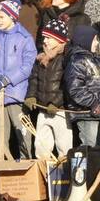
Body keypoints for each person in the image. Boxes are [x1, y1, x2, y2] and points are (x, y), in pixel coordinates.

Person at [0, 0, 37, 160]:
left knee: (22, 133)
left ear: (12, 17)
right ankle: (3, 169)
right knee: (0, 136)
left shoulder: (24, 38)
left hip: (16, 93)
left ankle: (26, 163)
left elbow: (28, 65)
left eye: (1, 17)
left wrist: (8, 79)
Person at [24, 18, 72, 161]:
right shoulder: (41, 58)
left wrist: (56, 103)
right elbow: (33, 79)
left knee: (64, 147)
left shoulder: (65, 58)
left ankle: (65, 177)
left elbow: (66, 85)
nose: (45, 41)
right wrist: (31, 96)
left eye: (49, 38)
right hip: (42, 110)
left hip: (60, 111)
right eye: (44, 37)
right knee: (41, 147)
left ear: (59, 40)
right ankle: (43, 178)